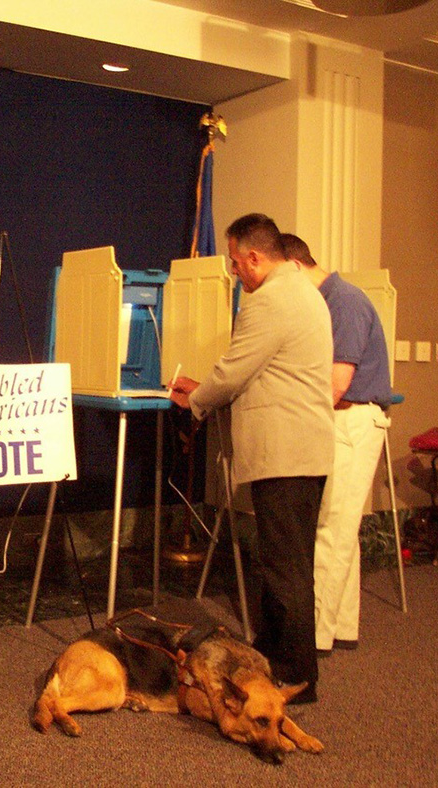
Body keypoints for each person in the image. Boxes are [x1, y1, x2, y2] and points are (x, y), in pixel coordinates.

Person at [168, 213, 334, 703]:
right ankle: (273, 654)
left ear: (256, 257)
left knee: (285, 568)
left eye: (237, 263)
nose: (235, 272)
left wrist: (197, 397)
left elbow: (236, 370)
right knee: (291, 562)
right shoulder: (305, 292)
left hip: (285, 454)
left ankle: (295, 675)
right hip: (306, 451)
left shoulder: (271, 302)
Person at [281, 233, 391, 655]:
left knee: (330, 529)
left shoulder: (343, 302)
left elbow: (335, 384)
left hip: (352, 419)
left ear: (294, 267)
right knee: (340, 529)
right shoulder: (328, 300)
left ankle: (312, 638)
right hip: (346, 420)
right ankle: (341, 627)